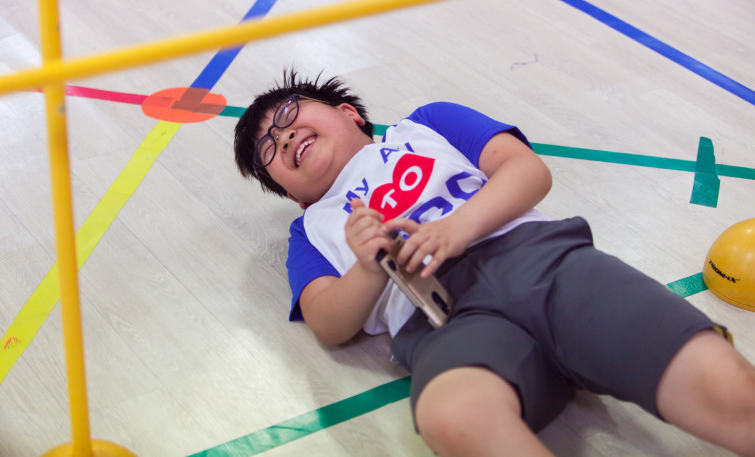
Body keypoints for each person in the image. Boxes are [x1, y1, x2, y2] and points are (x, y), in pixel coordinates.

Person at [234, 70, 755, 457]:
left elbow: (527, 170)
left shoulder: (426, 124)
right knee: (451, 416)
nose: (282, 136)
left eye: (288, 114)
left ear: (349, 112)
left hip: (540, 262)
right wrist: (369, 269)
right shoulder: (311, 228)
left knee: (721, 384)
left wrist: (455, 229)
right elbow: (328, 322)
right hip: (444, 325)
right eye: (267, 151)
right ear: (293, 195)